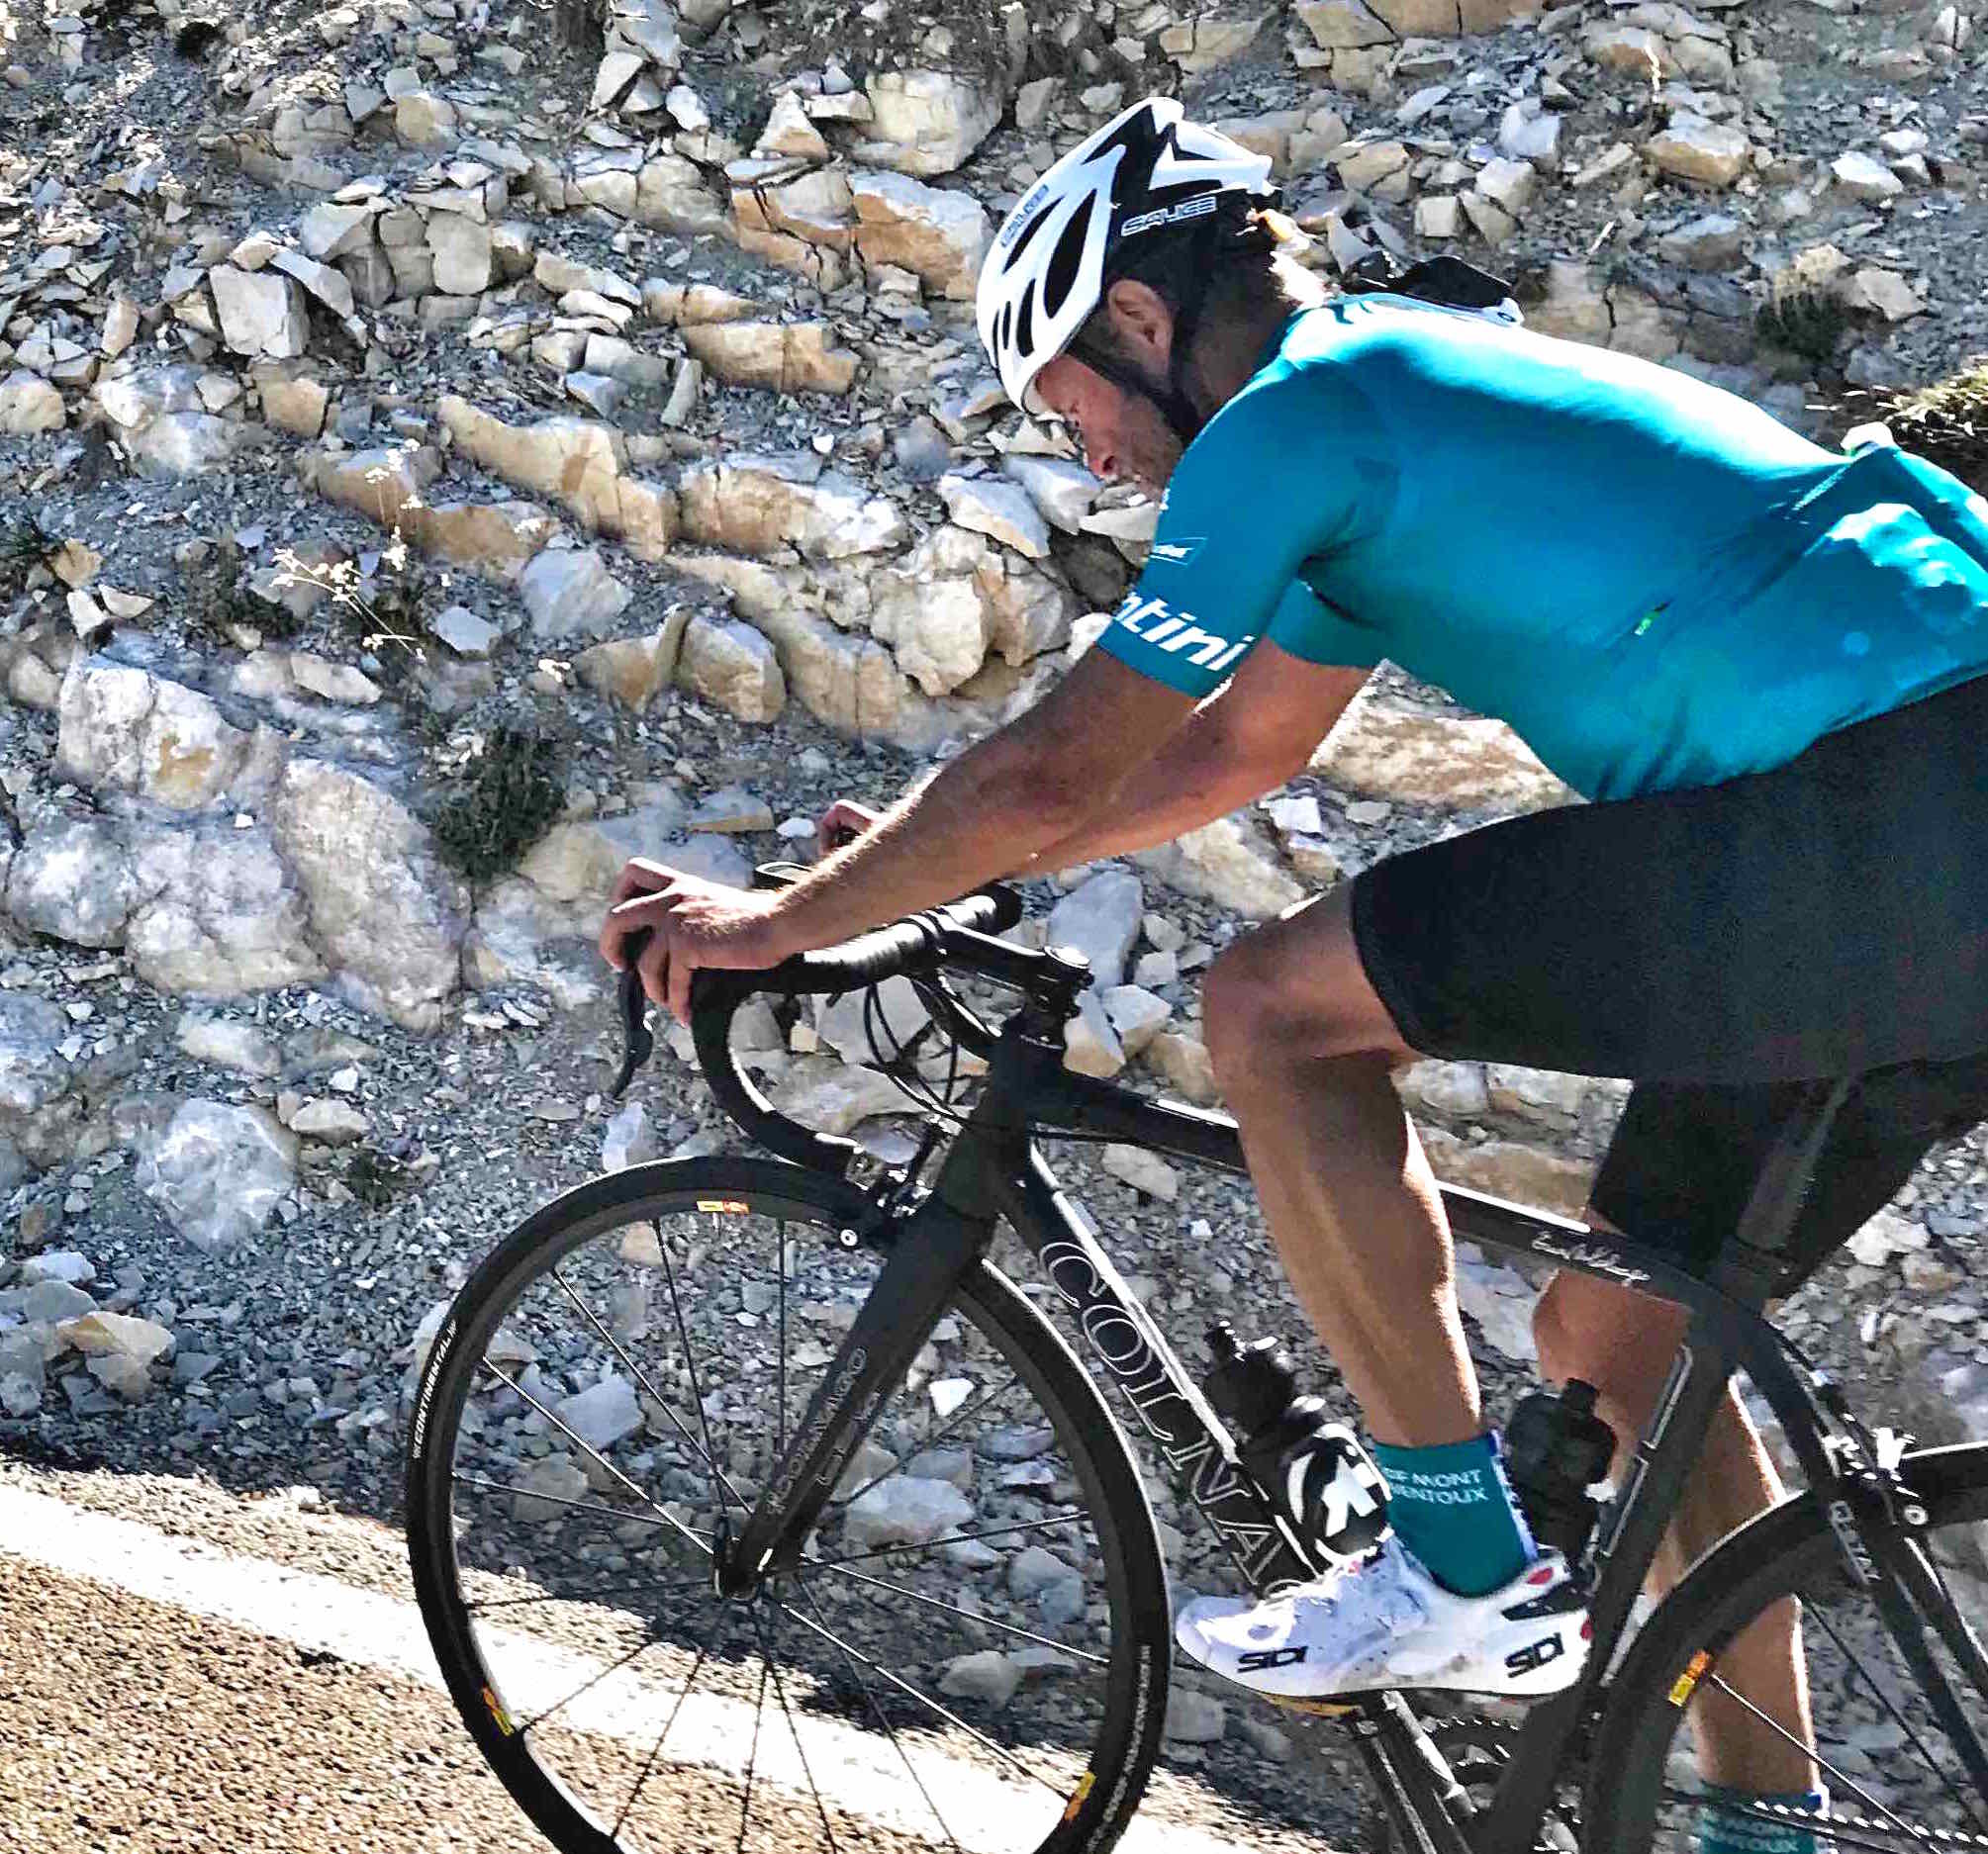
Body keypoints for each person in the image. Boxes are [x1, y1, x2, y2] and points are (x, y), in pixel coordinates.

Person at [601, 96, 1988, 1853]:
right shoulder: (1378, 403)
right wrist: (936, 869)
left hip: (1876, 806)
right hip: (1915, 835)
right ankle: (1760, 1830)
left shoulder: (1291, 419)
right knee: (1624, 1336)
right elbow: (1230, 751)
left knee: (1271, 1010)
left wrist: (774, 920)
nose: (1091, 454)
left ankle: (1458, 1565)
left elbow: (1055, 761)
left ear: (1139, 319)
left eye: (1072, 404)